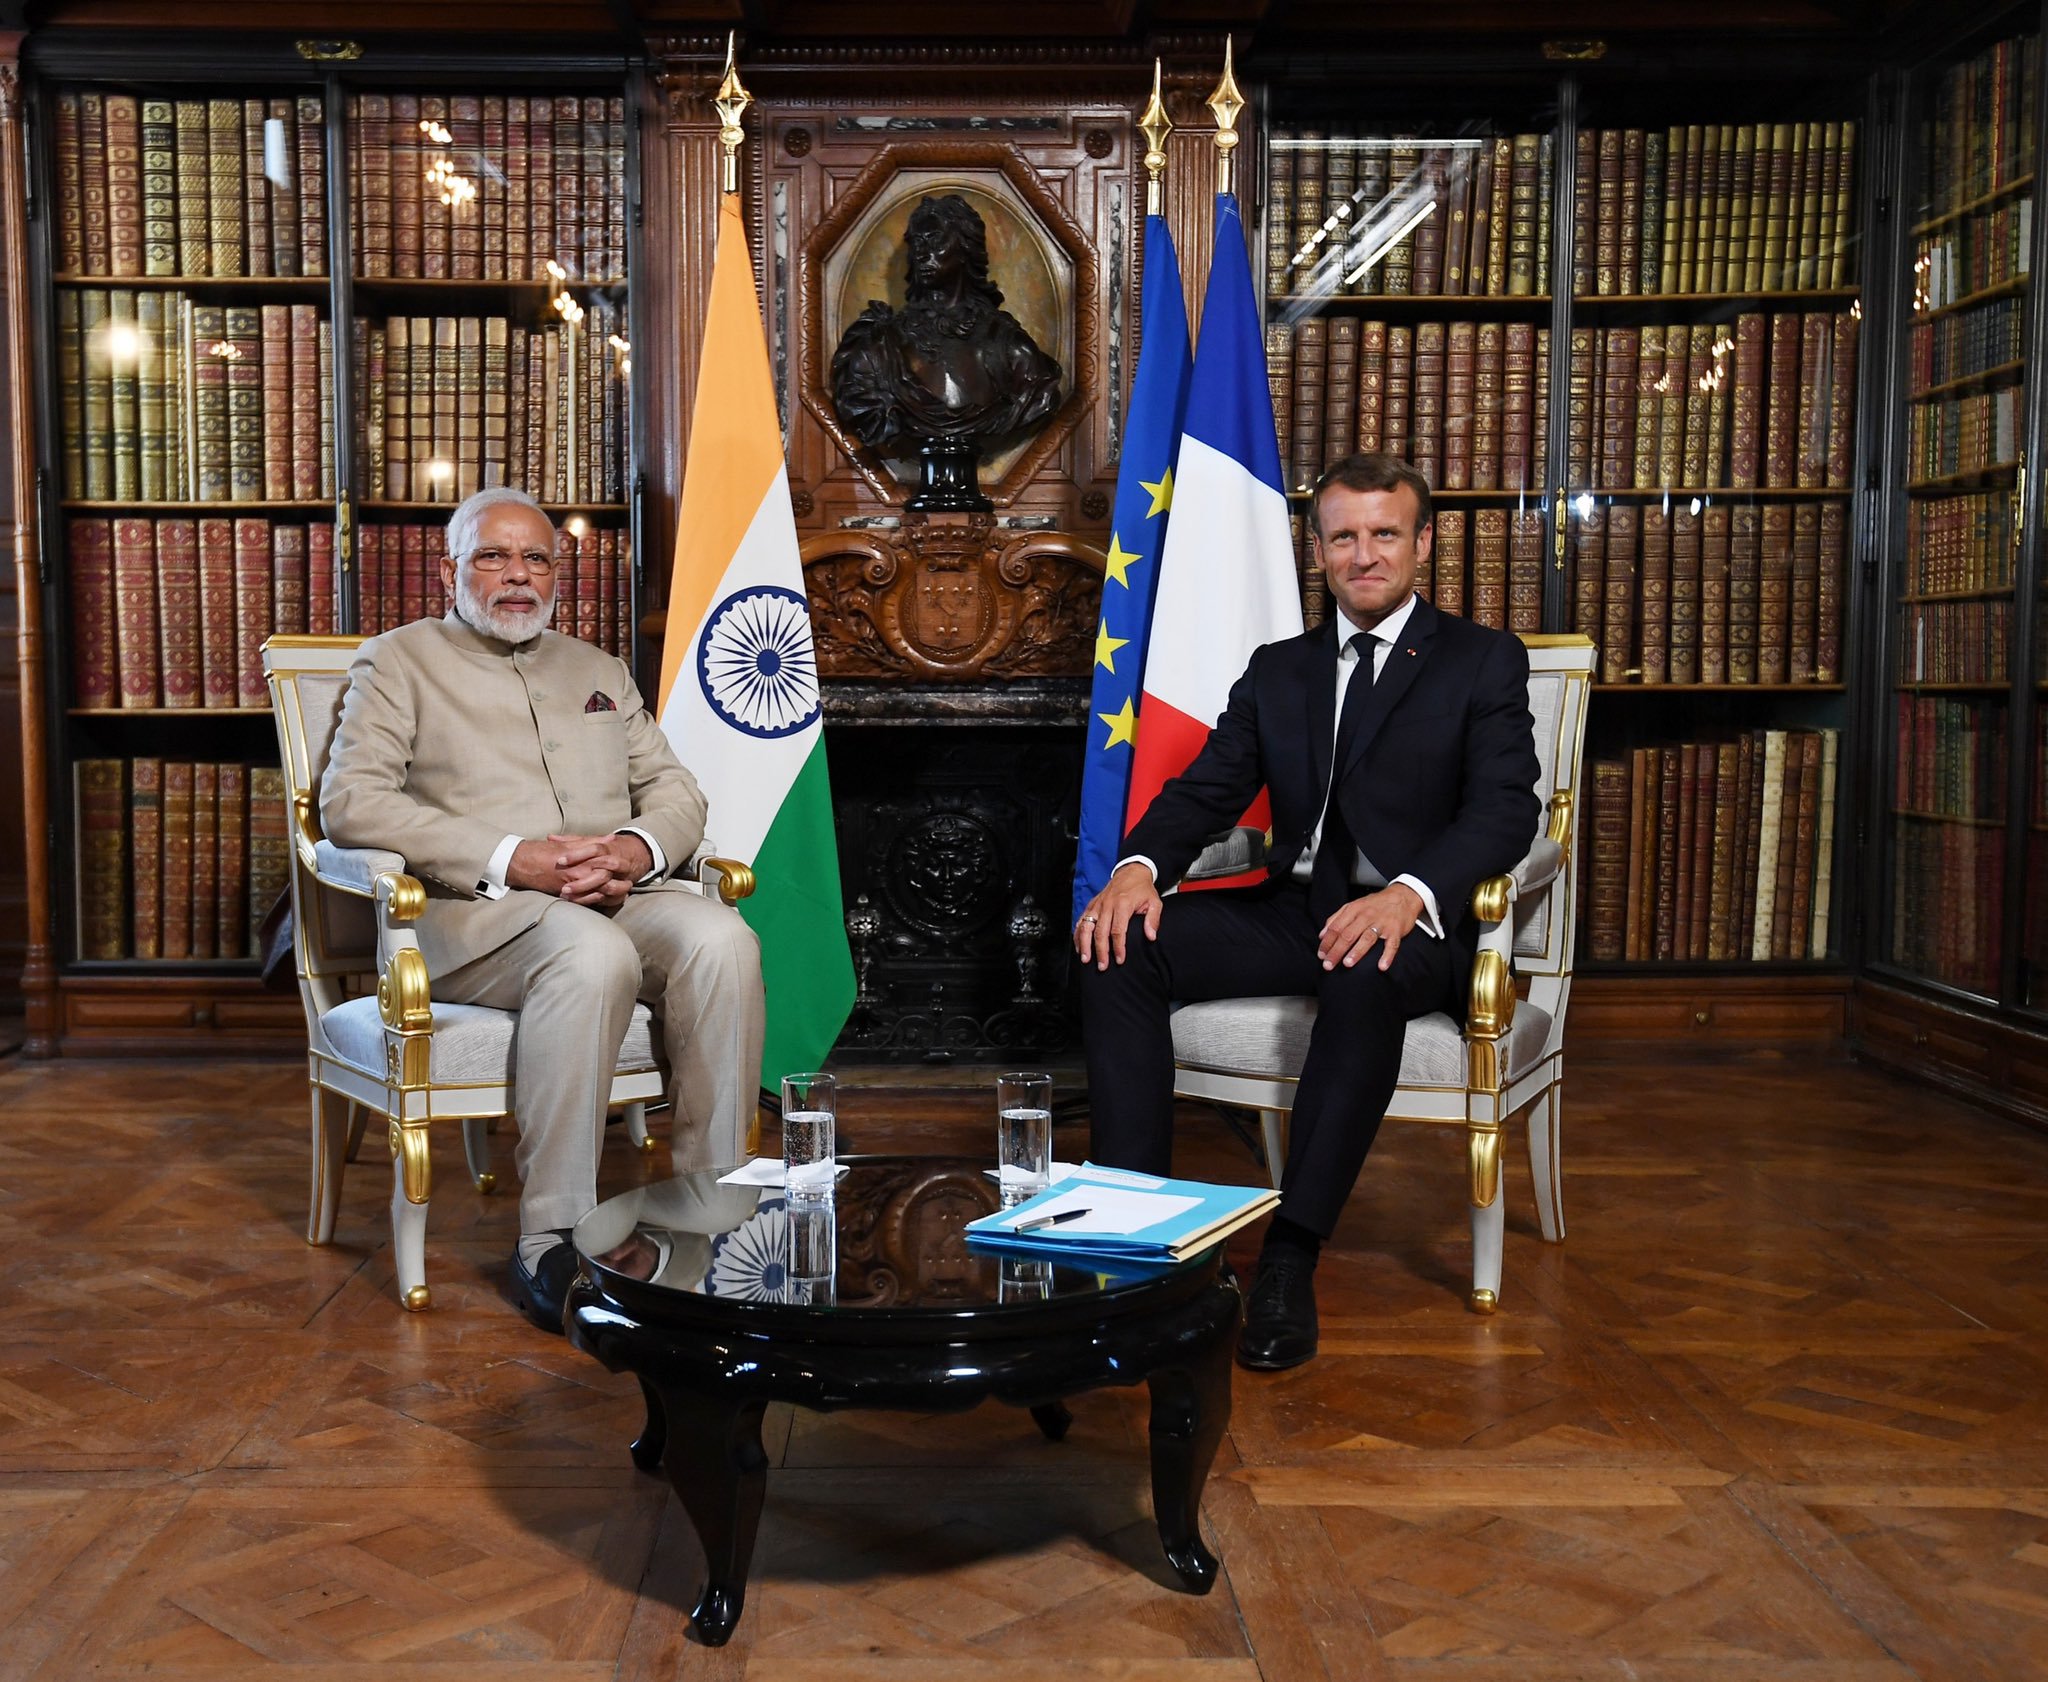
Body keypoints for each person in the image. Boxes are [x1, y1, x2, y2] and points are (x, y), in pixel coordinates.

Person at [1074, 453, 1540, 1371]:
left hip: (1413, 929)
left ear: (1423, 543)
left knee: (1362, 972)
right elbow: (1206, 789)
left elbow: (1505, 810)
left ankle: (1290, 1257)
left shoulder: (1481, 659)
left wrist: (1408, 893)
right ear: (1318, 549)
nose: (1365, 555)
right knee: (1119, 946)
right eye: (1344, 537)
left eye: (1385, 534)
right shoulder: (1280, 669)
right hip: (1297, 912)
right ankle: (1132, 1237)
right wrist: (1137, 868)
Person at [322, 486, 765, 1334]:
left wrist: (633, 850)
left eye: (536, 559)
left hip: (609, 894)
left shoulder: (597, 671)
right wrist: (509, 856)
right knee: (591, 954)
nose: (517, 576)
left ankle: (716, 1207)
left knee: (722, 938)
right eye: (493, 556)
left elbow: (675, 791)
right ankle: (551, 1232)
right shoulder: (396, 661)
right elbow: (353, 804)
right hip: (476, 919)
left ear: (557, 574)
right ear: (449, 568)